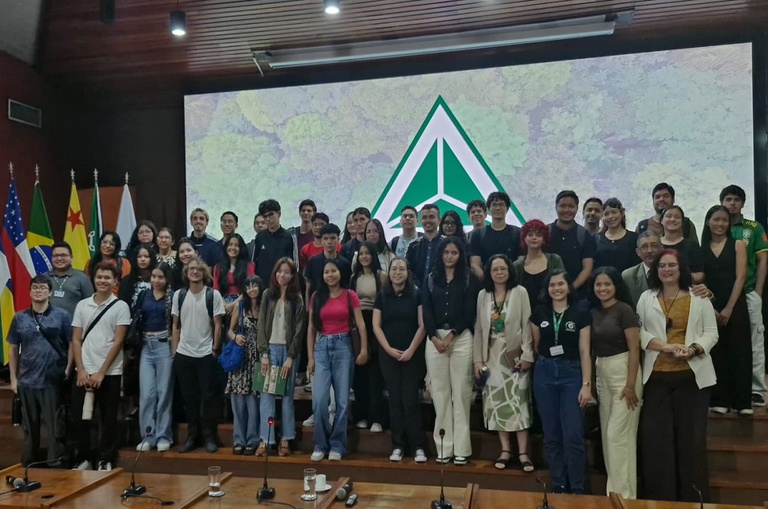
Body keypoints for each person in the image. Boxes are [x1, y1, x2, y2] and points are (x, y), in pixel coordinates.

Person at [636, 249, 718, 502]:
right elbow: (638, 332)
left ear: (681, 269)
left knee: (690, 442)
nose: (667, 269)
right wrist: (664, 347)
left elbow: (711, 332)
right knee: (656, 442)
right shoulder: (645, 297)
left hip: (692, 379)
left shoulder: (699, 297)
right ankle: (661, 498)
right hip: (656, 378)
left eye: (672, 265)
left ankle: (693, 498)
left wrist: (693, 350)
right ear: (656, 270)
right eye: (662, 266)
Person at [530, 270, 592, 494]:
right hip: (545, 372)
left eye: (560, 284)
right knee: (552, 435)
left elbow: (585, 350)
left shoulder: (581, 311)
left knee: (573, 435)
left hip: (572, 372)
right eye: (552, 285)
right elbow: (537, 346)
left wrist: (586, 385)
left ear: (568, 287)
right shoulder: (540, 312)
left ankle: (577, 487)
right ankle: (559, 485)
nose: (556, 288)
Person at [472, 254, 535, 472]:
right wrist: (477, 360)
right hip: (491, 355)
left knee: (518, 401)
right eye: (495, 269)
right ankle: (505, 450)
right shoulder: (483, 295)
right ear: (489, 273)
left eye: (503, 269)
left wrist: (528, 355)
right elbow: (479, 329)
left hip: (515, 355)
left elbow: (527, 324)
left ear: (509, 271)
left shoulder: (520, 292)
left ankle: (524, 453)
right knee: (497, 402)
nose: (499, 273)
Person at [422, 237, 478, 465]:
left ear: (460, 255)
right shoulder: (431, 279)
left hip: (461, 339)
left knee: (461, 394)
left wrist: (452, 336)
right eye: (446, 252)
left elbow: (468, 311)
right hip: (435, 340)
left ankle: (462, 450)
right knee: (440, 395)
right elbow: (426, 310)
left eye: (454, 253)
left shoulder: (468, 279)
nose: (450, 256)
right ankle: (444, 448)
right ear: (440, 254)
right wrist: (435, 338)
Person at [70, 263, 132, 471]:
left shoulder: (120, 307)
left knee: (108, 418)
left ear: (115, 281)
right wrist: (81, 369)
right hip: (84, 372)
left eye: (108, 277)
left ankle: (105, 458)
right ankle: (83, 458)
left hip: (109, 372)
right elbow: (76, 340)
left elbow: (118, 342)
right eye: (99, 277)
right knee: (80, 419)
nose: (103, 281)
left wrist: (101, 372)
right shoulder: (82, 306)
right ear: (93, 279)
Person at [307, 258, 368, 461]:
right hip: (321, 347)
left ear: (339, 273)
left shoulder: (350, 296)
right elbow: (311, 329)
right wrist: (310, 357)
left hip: (343, 348)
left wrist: (364, 349)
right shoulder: (317, 296)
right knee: (320, 400)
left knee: (342, 401)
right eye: (326, 272)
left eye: (333, 271)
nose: (330, 275)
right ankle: (320, 444)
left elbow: (361, 325)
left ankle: (338, 445)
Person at [588, 267, 642, 498]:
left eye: (607, 284)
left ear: (616, 286)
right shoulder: (594, 311)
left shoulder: (625, 310)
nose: (603, 288)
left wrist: (630, 385)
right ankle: (616, 494)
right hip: (602, 372)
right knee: (607, 439)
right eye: (598, 284)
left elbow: (634, 349)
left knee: (618, 437)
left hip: (624, 372)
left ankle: (624, 497)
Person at [7, 275, 72, 466]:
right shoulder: (19, 317)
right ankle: (29, 464)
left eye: (43, 288)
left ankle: (54, 463)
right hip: (26, 381)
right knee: (29, 427)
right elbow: (12, 348)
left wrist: (69, 367)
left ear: (50, 292)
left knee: (54, 427)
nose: (38, 291)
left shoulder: (62, 315)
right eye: (35, 288)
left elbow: (71, 343)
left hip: (51, 380)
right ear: (29, 292)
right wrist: (13, 378)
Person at [373, 257, 428, 463]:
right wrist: (388, 349)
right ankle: (398, 445)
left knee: (410, 400)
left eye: (401, 268)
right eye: (394, 269)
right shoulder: (382, 296)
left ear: (408, 272)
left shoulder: (417, 294)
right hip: (388, 355)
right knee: (394, 401)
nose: (397, 272)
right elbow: (376, 325)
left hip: (412, 355)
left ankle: (418, 446)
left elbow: (423, 325)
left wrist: (411, 350)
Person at [720, 184, 768, 408]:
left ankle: (757, 390)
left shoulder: (753, 227)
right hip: (723, 295)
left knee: (754, 341)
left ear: (742, 203)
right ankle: (729, 389)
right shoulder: (717, 227)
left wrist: (757, 292)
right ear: (722, 202)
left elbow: (762, 261)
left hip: (748, 292)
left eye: (736, 200)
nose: (732, 203)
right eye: (728, 199)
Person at [172, 257, 226, 454]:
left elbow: (218, 324)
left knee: (208, 397)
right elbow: (175, 325)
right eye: (191, 269)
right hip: (184, 354)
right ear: (186, 273)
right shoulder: (179, 295)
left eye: (198, 269)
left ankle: (209, 436)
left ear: (204, 273)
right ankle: (192, 435)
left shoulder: (214, 295)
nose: (194, 271)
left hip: (206, 354)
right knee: (189, 398)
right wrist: (175, 350)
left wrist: (214, 349)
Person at [701, 205, 752, 414]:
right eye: (716, 220)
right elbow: (700, 280)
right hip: (709, 306)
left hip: (735, 304)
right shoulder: (701, 248)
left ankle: (742, 402)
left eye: (724, 220)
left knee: (739, 352)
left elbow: (741, 277)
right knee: (716, 353)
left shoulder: (737, 244)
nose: (720, 224)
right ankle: (719, 399)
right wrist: (712, 308)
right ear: (707, 222)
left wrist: (729, 307)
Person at [258, 258, 305, 457]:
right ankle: (266, 439)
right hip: (270, 350)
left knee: (286, 397)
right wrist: (264, 354)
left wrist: (291, 357)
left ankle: (286, 438)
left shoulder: (298, 299)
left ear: (293, 275)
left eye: (286, 272)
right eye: (279, 271)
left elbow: (299, 330)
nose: (282, 275)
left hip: (288, 352)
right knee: (266, 395)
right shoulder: (268, 295)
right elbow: (261, 324)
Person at [136, 263, 175, 452]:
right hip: (146, 347)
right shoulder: (144, 295)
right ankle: (147, 435)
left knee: (163, 393)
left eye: (160, 277)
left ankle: (163, 435)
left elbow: (176, 324)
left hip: (164, 346)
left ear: (166, 279)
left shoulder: (173, 297)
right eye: (153, 276)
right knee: (147, 394)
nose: (156, 280)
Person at [350, 242, 388, 433]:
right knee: (360, 375)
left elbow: (385, 302)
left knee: (375, 374)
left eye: (367, 253)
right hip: (358, 325)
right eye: (361, 254)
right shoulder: (353, 277)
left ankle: (377, 418)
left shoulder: (381, 276)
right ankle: (362, 416)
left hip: (376, 323)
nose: (364, 256)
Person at [226, 275, 264, 456]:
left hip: (258, 359)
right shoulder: (240, 307)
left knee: (254, 403)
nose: (251, 289)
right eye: (248, 286)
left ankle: (253, 440)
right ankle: (239, 440)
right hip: (241, 360)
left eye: (254, 285)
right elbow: (229, 331)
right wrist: (235, 337)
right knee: (239, 403)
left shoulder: (265, 307)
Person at [548, 191, 596, 296]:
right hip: (549, 293)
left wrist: (570, 288)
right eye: (562, 206)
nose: (566, 210)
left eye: (571, 206)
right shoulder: (546, 232)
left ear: (577, 208)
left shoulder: (584, 234)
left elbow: (587, 268)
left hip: (576, 294)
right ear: (556, 207)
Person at [512, 219, 565, 313]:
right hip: (524, 314)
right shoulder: (517, 266)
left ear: (544, 239)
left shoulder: (555, 260)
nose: (534, 238)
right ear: (524, 238)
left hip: (551, 313)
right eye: (530, 234)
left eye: (538, 235)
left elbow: (563, 288)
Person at [470, 192, 521, 281]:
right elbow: (474, 264)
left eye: (501, 205)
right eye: (494, 205)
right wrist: (486, 280)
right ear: (489, 209)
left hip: (512, 284)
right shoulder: (478, 234)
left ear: (507, 208)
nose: (498, 208)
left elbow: (521, 259)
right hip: (487, 285)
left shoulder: (517, 233)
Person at [251, 199, 298, 285]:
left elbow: (294, 265)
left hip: (282, 286)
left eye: (271, 214)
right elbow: (254, 263)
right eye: (265, 216)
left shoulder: (289, 237)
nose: (268, 219)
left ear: (279, 214)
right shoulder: (260, 237)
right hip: (262, 285)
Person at [305, 223, 352, 305]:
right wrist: (308, 309)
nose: (329, 242)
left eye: (333, 238)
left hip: (339, 306)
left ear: (338, 239)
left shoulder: (345, 264)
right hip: (318, 305)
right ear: (322, 241)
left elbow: (347, 289)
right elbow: (308, 288)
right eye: (326, 238)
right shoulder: (312, 261)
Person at [47, 241, 94, 317]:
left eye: (63, 255)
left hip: (73, 326)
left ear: (71, 257)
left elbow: (90, 305)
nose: (59, 258)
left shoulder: (82, 278)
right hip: (46, 325)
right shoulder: (43, 278)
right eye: (55, 255)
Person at [213, 233, 256, 316]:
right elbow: (216, 290)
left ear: (241, 248)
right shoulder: (218, 267)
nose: (233, 248)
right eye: (230, 245)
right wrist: (224, 305)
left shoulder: (249, 266)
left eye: (236, 245)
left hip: (242, 304)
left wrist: (232, 305)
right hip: (222, 305)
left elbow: (250, 288)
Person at [594, 198, 640, 273]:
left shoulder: (634, 238)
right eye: (606, 214)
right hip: (603, 283)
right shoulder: (596, 239)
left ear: (622, 213)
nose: (610, 217)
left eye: (614, 212)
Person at [660, 206, 704, 282]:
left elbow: (700, 275)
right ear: (661, 220)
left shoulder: (692, 245)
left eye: (677, 217)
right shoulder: (655, 245)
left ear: (682, 222)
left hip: (686, 290)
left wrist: (678, 276)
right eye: (668, 216)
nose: (673, 219)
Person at [622, 232, 662, 307]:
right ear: (638, 252)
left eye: (654, 246)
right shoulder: (628, 276)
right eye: (644, 247)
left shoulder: (671, 273)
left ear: (661, 249)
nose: (649, 251)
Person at [406, 203, 441, 287]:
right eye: (424, 217)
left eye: (431, 217)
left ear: (439, 220)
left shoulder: (447, 244)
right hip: (417, 294)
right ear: (420, 221)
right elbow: (409, 271)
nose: (428, 220)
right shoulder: (413, 246)